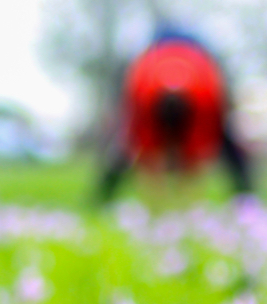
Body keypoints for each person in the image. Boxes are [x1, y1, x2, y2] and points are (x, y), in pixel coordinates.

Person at [98, 30, 251, 201]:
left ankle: (246, 197)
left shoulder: (206, 98)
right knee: (125, 144)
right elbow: (145, 151)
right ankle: (103, 196)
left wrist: (184, 195)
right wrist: (159, 195)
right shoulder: (141, 94)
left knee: (227, 141)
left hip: (198, 50)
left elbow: (198, 153)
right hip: (156, 46)